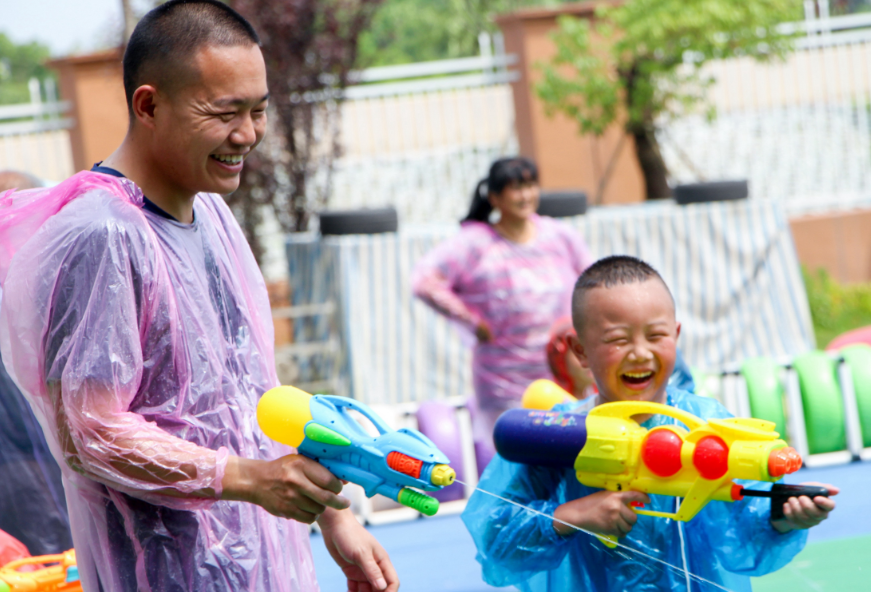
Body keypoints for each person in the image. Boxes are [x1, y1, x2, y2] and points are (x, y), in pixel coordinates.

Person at [0, 2, 397, 591]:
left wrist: (334, 513)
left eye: (259, 111)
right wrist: (245, 479)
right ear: (149, 104)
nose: (247, 135)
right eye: (225, 113)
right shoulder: (102, 235)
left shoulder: (209, 210)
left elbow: (250, 388)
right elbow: (90, 433)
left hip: (262, 556)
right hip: (164, 569)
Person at [462, 255, 838, 591]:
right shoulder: (556, 438)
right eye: (617, 339)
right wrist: (570, 516)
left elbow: (741, 530)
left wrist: (783, 518)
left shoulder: (707, 425)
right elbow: (494, 543)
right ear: (580, 351)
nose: (640, 353)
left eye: (655, 335)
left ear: (675, 335)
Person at [412, 157, 593, 467]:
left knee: (571, 454)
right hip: (503, 381)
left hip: (562, 374)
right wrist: (473, 321)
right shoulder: (475, 243)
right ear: (494, 197)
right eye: (514, 188)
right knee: (516, 463)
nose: (525, 195)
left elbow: (594, 282)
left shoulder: (559, 236)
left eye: (530, 186)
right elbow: (425, 282)